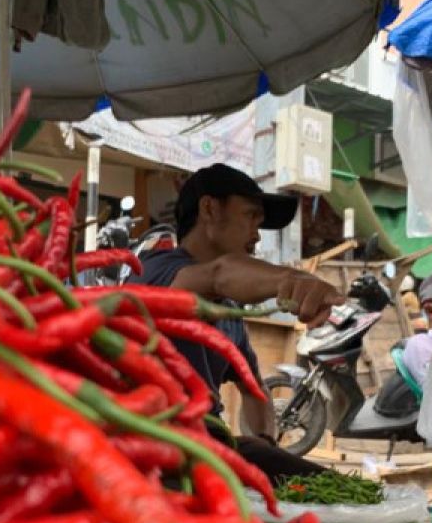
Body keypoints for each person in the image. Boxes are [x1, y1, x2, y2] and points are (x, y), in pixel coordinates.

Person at [129, 163, 347, 479]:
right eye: (250, 217)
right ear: (209, 209)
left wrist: (266, 444)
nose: (257, 235)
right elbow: (218, 275)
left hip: (210, 445)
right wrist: (291, 279)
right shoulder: (156, 271)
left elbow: (254, 387)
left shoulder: (230, 314)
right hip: (152, 446)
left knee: (327, 487)